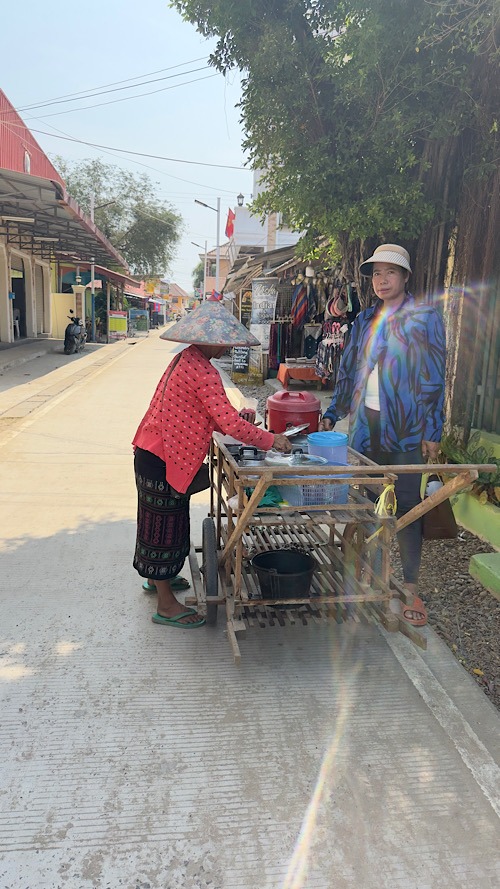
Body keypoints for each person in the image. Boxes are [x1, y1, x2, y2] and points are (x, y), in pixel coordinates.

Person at [132, 301, 291, 628]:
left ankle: (158, 580)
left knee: (161, 524)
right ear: (213, 341)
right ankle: (165, 604)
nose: (227, 347)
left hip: (153, 451)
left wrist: (239, 423)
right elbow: (228, 423)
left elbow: (206, 413)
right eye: (225, 342)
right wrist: (270, 439)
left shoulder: (185, 359)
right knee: (163, 529)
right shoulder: (203, 371)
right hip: (163, 458)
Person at [320, 244, 446, 625]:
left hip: (406, 429)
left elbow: (434, 377)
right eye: (376, 273)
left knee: (406, 505)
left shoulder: (425, 318)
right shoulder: (363, 320)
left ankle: (409, 586)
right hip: (365, 427)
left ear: (405, 277)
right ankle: (372, 577)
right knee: (368, 503)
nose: (382, 279)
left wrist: (433, 429)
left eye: (391, 272)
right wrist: (334, 411)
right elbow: (348, 370)